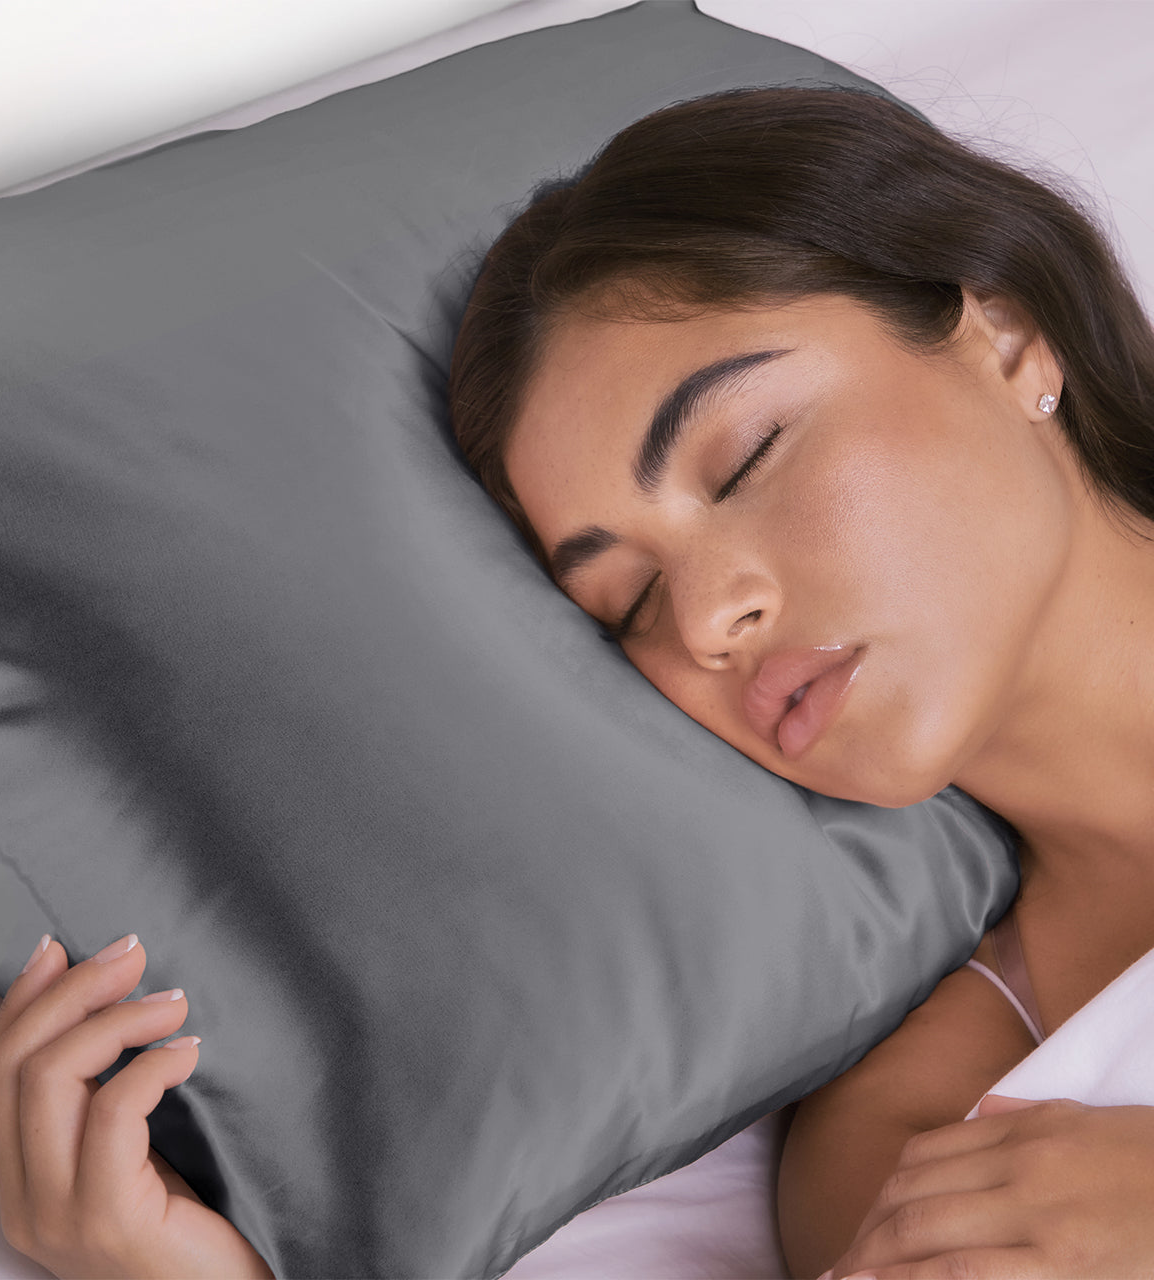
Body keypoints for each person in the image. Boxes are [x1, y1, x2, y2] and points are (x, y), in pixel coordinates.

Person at [446, 85, 1154, 1279]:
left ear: (1004, 334)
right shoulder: (924, 1120)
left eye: (744, 458)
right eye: (631, 604)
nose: (707, 620)